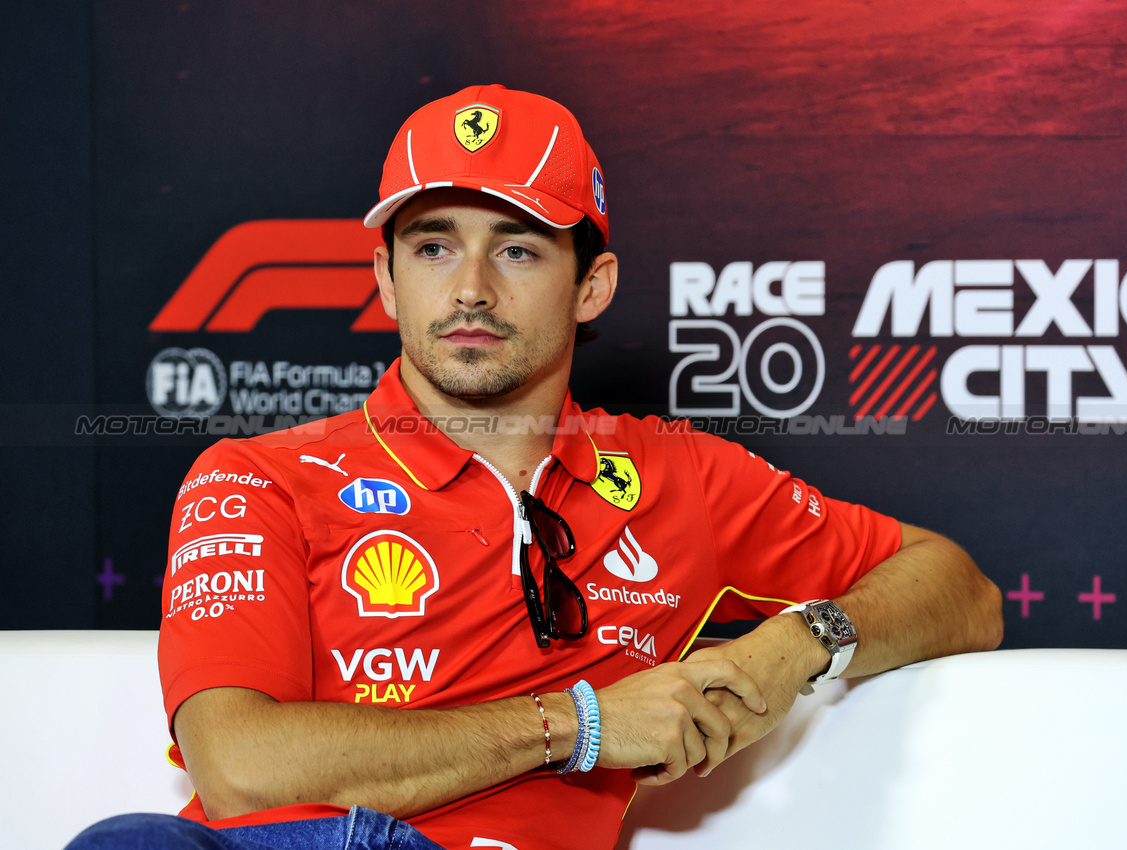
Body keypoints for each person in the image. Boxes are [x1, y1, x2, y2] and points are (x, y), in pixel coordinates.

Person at [68, 84, 1002, 850]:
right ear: (388, 281)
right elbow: (237, 767)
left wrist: (791, 647)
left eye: (515, 248)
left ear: (590, 285)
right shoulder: (259, 477)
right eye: (434, 247)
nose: (470, 288)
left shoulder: (683, 474)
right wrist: (584, 724)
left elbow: (961, 590)